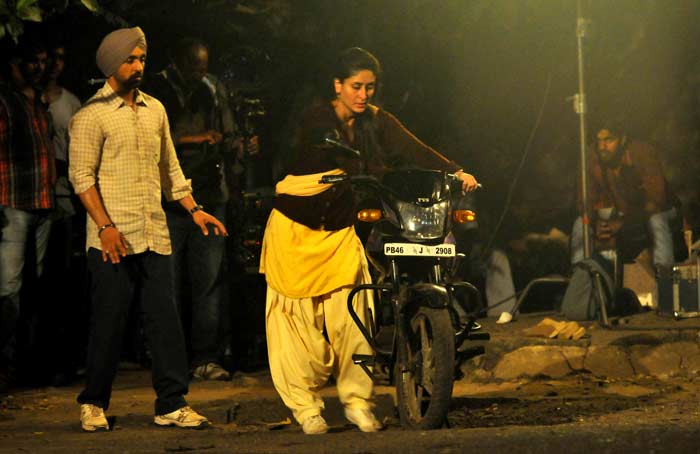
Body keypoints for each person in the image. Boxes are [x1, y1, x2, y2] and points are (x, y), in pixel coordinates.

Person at [260, 47, 478, 435]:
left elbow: (412, 147)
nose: (363, 95)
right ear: (338, 86)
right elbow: (333, 158)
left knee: (354, 315)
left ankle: (357, 403)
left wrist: (455, 170)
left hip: (340, 231)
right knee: (294, 327)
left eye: (370, 87)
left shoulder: (376, 121)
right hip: (295, 228)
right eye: (356, 87)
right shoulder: (317, 119)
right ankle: (306, 408)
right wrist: (372, 168)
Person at [69, 26, 227, 432]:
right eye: (130, 59)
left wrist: (194, 209)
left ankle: (171, 403)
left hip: (154, 231)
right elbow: (81, 177)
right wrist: (104, 226)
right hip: (112, 238)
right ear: (111, 64)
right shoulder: (91, 115)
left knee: (165, 320)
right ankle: (93, 402)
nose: (138, 66)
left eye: (142, 59)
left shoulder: (155, 109)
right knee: (109, 321)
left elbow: (170, 168)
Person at [145, 38, 253, 381]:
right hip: (168, 199)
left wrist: (241, 143)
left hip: (208, 192)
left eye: (204, 67)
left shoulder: (213, 88)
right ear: (176, 61)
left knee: (209, 279)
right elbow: (154, 141)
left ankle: (207, 356)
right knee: (169, 280)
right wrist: (194, 139)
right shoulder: (157, 89)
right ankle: (169, 355)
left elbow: (228, 133)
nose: (200, 73)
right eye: (194, 66)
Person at [0, 38, 54, 388]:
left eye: (41, 60)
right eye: (29, 61)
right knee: (9, 287)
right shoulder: (5, 101)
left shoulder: (39, 102)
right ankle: (4, 365)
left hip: (43, 202)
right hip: (14, 202)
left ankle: (25, 364)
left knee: (34, 288)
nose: (36, 67)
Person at [571, 121, 677, 267]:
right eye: (599, 141)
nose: (602, 147)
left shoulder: (641, 153)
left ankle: (664, 276)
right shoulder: (592, 157)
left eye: (608, 140)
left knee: (656, 221)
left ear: (623, 139)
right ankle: (581, 275)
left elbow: (656, 200)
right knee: (581, 224)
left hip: (660, 212)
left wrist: (623, 222)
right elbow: (584, 201)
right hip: (620, 215)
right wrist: (595, 223)